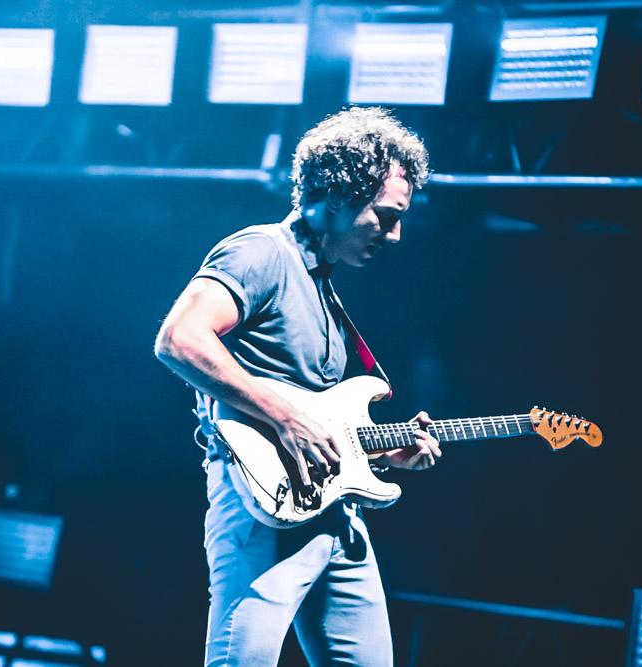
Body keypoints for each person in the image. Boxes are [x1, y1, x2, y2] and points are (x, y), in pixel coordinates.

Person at [155, 106, 442, 666]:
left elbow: (318, 417)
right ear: (336, 195)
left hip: (336, 509)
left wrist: (381, 452)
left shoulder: (322, 286)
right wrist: (284, 418)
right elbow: (180, 339)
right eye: (385, 216)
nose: (395, 234)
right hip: (262, 504)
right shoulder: (262, 252)